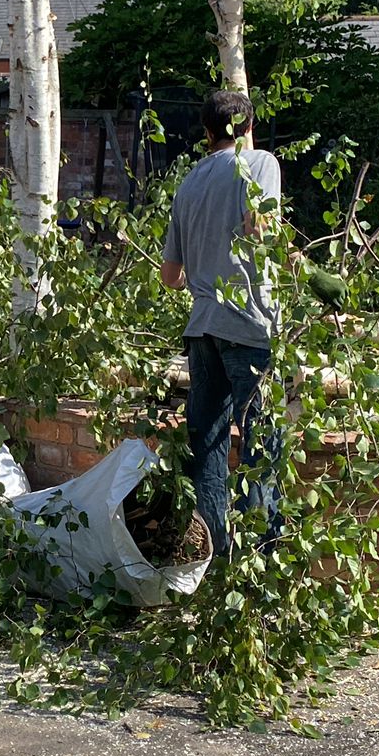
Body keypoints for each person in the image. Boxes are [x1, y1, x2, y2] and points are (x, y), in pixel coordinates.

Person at [160, 90, 282, 559]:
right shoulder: (260, 165)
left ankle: (217, 561)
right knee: (261, 448)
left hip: (202, 330)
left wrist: (206, 263)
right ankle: (264, 564)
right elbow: (260, 229)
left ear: (207, 134)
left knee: (207, 448)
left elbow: (171, 278)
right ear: (247, 129)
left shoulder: (189, 183)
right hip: (250, 327)